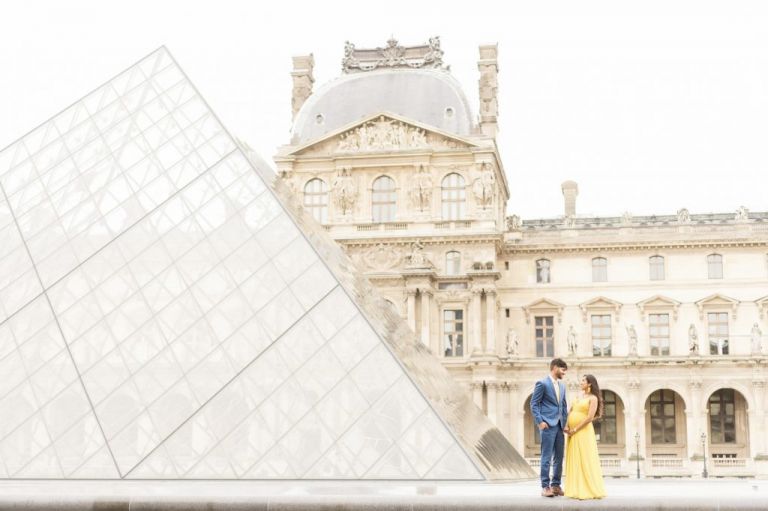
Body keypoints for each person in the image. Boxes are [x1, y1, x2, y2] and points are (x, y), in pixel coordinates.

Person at [564, 374, 607, 500]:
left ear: (589, 384)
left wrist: (576, 429)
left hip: (583, 432)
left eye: (583, 381)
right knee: (575, 459)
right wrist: (566, 426)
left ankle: (586, 489)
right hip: (571, 432)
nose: (581, 382)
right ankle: (575, 489)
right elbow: (570, 411)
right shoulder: (577, 396)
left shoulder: (593, 398)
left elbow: (589, 417)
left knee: (584, 458)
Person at [530, 358, 568, 497]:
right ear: (555, 368)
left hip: (559, 426)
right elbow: (534, 404)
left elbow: (563, 406)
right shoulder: (542, 383)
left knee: (559, 456)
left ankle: (556, 485)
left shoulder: (562, 386)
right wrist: (540, 421)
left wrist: (565, 424)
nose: (564, 373)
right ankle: (545, 486)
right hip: (547, 425)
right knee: (546, 457)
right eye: (563, 370)